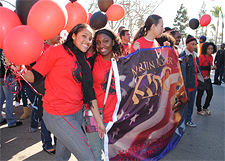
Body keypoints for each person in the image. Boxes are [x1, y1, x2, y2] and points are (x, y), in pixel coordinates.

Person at [13, 23, 105, 160]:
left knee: (62, 156)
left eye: (90, 38)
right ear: (73, 35)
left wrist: (99, 122)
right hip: (58, 114)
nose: (87, 41)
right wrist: (19, 69)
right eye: (84, 36)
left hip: (76, 113)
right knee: (88, 157)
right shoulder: (56, 51)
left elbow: (89, 93)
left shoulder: (83, 60)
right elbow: (35, 76)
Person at [85, 28, 124, 161]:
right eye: (98, 42)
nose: (102, 45)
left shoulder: (123, 62)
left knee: (115, 152)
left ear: (113, 42)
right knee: (95, 152)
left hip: (116, 116)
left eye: (106, 41)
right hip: (93, 115)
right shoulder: (90, 62)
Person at [29, 34, 61, 155]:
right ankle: (46, 144)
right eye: (56, 34)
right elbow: (37, 75)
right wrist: (42, 92)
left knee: (58, 119)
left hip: (58, 91)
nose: (59, 36)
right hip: (45, 92)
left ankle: (59, 143)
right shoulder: (41, 50)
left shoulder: (61, 48)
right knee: (45, 119)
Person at [179, 35, 203, 127]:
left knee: (191, 103)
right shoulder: (183, 56)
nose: (194, 46)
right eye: (192, 44)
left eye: (195, 45)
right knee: (185, 104)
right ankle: (184, 121)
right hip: (187, 85)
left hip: (194, 84)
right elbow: (182, 73)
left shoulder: (194, 55)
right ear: (187, 44)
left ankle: (188, 120)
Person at [0, 49, 23, 128]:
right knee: (9, 99)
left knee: (1, 98)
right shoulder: (4, 49)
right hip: (6, 77)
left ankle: (1, 119)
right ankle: (11, 121)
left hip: (2, 77)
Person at [196, 42, 217, 116]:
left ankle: (205, 107)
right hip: (201, 79)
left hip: (208, 78)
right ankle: (199, 109)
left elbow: (210, 66)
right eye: (209, 49)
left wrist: (213, 67)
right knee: (200, 94)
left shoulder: (211, 57)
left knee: (210, 94)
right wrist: (209, 67)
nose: (210, 50)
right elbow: (198, 67)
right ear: (205, 49)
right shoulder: (201, 56)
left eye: (212, 49)